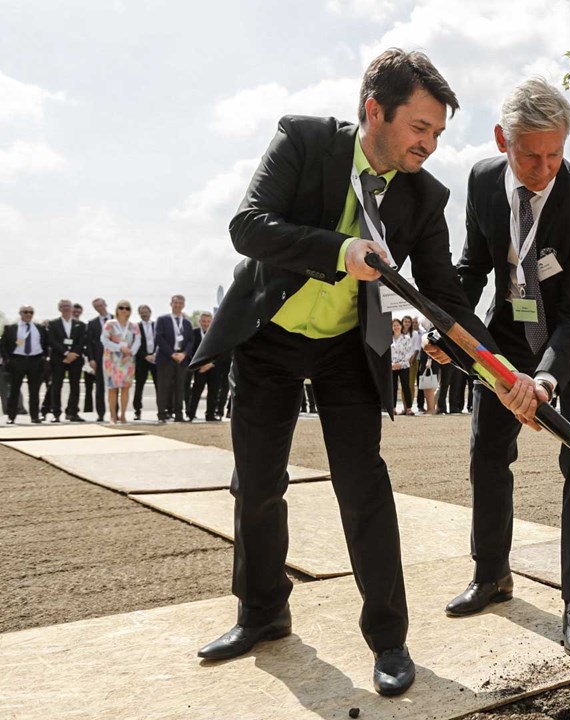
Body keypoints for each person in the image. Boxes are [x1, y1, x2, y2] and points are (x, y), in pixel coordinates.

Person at [189, 49, 535, 696]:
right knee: (257, 484)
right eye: (420, 128)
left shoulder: (424, 197)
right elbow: (249, 227)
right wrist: (340, 250)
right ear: (374, 111)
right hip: (271, 335)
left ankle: (390, 639)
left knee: (363, 486)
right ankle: (262, 613)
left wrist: (498, 371)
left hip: (348, 345)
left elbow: (448, 300)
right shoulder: (304, 140)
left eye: (436, 134)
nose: (429, 145)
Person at [449, 76, 570, 659]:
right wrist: (449, 326)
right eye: (530, 154)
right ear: (503, 139)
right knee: (487, 452)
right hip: (508, 339)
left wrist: (547, 379)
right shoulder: (479, 181)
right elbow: (473, 267)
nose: (543, 168)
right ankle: (492, 573)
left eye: (555, 154)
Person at [2, 306, 49, 424]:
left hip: (35, 361)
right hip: (17, 361)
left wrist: (43, 358)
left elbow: (45, 343)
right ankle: (11, 416)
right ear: (20, 313)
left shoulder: (40, 328)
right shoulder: (11, 328)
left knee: (34, 391)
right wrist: (8, 360)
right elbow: (3, 345)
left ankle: (34, 416)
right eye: (26, 312)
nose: (28, 314)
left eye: (31, 312)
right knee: (14, 390)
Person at [154, 295, 195, 422]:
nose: (177, 305)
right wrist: (172, 353)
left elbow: (190, 341)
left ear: (183, 305)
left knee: (180, 388)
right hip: (167, 358)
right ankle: (162, 414)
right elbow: (159, 338)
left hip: (182, 359)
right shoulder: (162, 319)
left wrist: (184, 354)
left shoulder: (187, 323)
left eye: (180, 303)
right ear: (171, 304)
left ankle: (179, 415)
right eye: (175, 303)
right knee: (164, 387)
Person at [47, 299, 87, 423]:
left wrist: (73, 354)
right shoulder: (53, 323)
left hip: (75, 359)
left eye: (68, 306)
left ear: (72, 309)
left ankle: (73, 412)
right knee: (56, 386)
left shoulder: (80, 324)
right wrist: (66, 353)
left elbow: (82, 341)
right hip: (59, 358)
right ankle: (56, 413)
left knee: (75, 386)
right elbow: (52, 341)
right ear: (59, 308)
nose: (66, 308)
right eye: (63, 306)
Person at [100, 301, 141, 425]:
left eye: (127, 308)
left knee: (125, 388)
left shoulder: (133, 326)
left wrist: (130, 352)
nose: (124, 310)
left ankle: (122, 415)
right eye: (121, 308)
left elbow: (138, 341)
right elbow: (104, 339)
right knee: (112, 388)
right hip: (112, 360)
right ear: (117, 310)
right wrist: (119, 348)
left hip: (127, 360)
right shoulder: (110, 324)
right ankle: (113, 416)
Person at [187, 312, 222, 421]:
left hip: (213, 367)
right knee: (196, 391)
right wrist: (200, 364)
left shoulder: (217, 333)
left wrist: (211, 364)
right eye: (203, 321)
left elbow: (221, 351)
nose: (206, 324)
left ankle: (210, 415)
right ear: (199, 322)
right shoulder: (193, 333)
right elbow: (190, 350)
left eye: (208, 321)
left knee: (213, 392)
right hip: (199, 368)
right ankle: (191, 414)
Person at [83, 298, 110, 422]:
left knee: (115, 387)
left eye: (101, 305)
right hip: (99, 359)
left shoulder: (116, 319)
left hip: (115, 359)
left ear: (105, 305)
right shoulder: (92, 323)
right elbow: (89, 343)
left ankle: (116, 412)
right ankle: (101, 413)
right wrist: (91, 359)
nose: (100, 308)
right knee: (100, 388)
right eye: (97, 307)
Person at [133, 304, 158, 421]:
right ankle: (137, 411)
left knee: (159, 386)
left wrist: (154, 355)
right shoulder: (135, 327)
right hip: (141, 360)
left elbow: (160, 341)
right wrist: (145, 356)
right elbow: (135, 344)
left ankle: (162, 410)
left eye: (146, 312)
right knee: (139, 386)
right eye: (142, 312)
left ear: (150, 312)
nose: (144, 314)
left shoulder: (156, 325)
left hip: (155, 359)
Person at [389, 318, 415, 415]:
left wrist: (401, 363)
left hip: (403, 365)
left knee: (405, 387)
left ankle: (409, 408)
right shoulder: (388, 338)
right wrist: (392, 364)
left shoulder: (406, 338)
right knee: (393, 387)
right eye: (394, 325)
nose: (396, 327)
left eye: (397, 325)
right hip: (392, 366)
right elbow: (386, 353)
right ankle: (393, 408)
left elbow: (410, 352)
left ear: (401, 326)